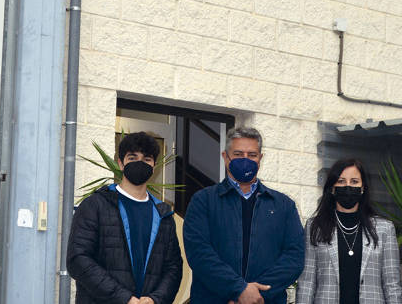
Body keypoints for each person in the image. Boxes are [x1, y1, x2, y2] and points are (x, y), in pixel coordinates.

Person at [183, 127, 305, 304]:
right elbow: (199, 253)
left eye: (252, 155)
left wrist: (255, 295)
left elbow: (294, 257)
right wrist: (238, 289)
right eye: (239, 154)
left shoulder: (284, 205)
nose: (245, 160)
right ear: (225, 157)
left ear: (260, 159)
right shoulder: (203, 201)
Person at [66, 131, 182, 304]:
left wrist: (154, 299)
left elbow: (173, 267)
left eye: (147, 159)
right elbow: (78, 259)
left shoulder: (163, 214)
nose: (140, 164)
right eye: (132, 158)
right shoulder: (95, 205)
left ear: (154, 166)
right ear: (120, 163)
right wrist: (124, 298)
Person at [296, 158, 402, 304]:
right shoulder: (316, 226)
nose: (347, 186)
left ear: (363, 187)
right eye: (341, 181)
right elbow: (307, 282)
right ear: (332, 187)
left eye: (354, 181)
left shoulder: (384, 229)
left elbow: (392, 284)